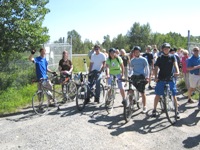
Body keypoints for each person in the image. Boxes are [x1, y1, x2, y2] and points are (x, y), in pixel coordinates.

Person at [152, 43, 180, 118]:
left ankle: (176, 111)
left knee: (174, 95)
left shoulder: (172, 57)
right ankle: (154, 109)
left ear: (169, 49)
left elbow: (176, 64)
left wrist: (177, 71)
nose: (166, 50)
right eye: (165, 49)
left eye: (167, 48)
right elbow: (156, 67)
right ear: (162, 50)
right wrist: (155, 77)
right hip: (161, 78)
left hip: (170, 78)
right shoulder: (160, 58)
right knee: (158, 94)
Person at [130, 46, 149, 113]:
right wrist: (129, 76)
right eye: (135, 52)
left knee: (142, 92)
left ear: (140, 52)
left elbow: (147, 69)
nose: (136, 53)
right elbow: (131, 69)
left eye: (137, 52)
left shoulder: (144, 59)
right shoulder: (132, 60)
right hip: (134, 76)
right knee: (130, 89)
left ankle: (144, 106)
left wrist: (147, 76)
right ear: (134, 53)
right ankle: (131, 103)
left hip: (141, 76)